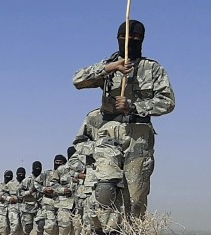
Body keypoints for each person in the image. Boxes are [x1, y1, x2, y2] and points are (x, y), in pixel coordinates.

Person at [72, 19, 175, 219]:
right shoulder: (109, 66)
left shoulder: (152, 69)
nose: (131, 41)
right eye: (125, 37)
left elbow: (168, 102)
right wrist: (111, 68)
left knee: (135, 196)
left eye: (137, 38)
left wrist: (134, 106)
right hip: (108, 136)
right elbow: (77, 80)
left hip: (138, 137)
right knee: (105, 191)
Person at [19, 163, 43, 235]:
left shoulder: (44, 179)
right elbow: (19, 193)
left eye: (39, 168)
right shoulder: (27, 180)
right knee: (28, 226)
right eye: (36, 168)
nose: (38, 169)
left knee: (41, 224)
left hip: (40, 206)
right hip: (28, 206)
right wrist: (29, 192)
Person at [5, 170, 25, 235]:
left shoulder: (26, 182)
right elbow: (3, 193)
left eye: (22, 174)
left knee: (22, 227)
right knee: (15, 224)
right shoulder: (10, 184)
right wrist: (9, 198)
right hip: (13, 206)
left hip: (24, 206)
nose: (21, 175)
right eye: (19, 174)